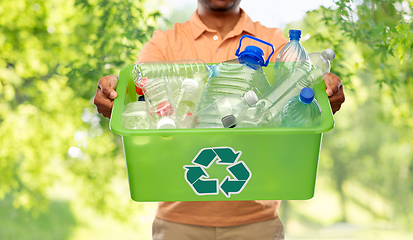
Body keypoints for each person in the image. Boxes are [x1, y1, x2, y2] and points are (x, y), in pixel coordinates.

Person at [94, 0, 345, 239]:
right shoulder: (165, 43)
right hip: (178, 223)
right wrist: (112, 95)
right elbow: (137, 94)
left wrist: (323, 92)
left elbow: (300, 92)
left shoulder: (274, 41)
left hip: (257, 222)